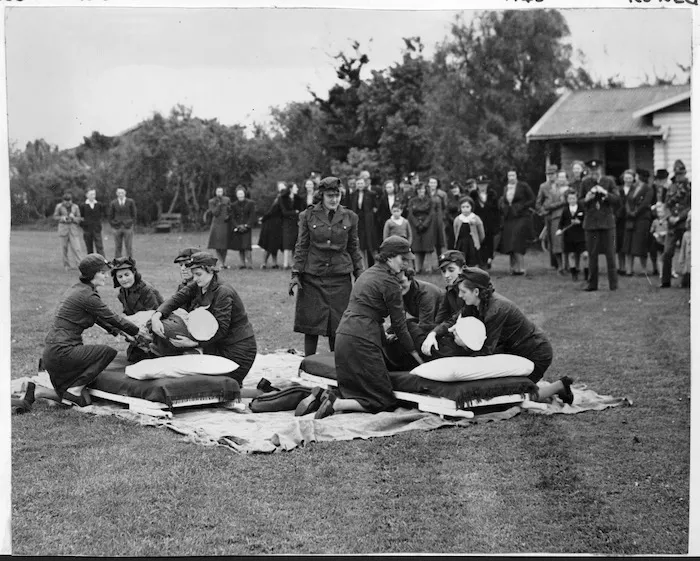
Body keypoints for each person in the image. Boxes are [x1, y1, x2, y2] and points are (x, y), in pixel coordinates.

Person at [306, 236, 424, 419]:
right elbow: (400, 327)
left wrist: (383, 338)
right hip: (362, 340)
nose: (406, 264)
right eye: (403, 259)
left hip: (344, 336)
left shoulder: (367, 274)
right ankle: (336, 403)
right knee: (384, 400)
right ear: (389, 257)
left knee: (357, 389)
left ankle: (326, 397)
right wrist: (418, 358)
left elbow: (366, 311)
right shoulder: (390, 283)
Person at [421, 267, 574, 404]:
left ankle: (560, 386)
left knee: (514, 396)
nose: (460, 296)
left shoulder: (496, 310)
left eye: (463, 292)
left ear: (476, 292)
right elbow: (453, 320)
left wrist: (464, 346)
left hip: (535, 352)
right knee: (501, 390)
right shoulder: (475, 302)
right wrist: (433, 334)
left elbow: (486, 351)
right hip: (512, 350)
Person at [39, 254, 147, 407]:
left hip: (52, 354)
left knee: (85, 401)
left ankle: (47, 392)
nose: (105, 276)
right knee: (107, 352)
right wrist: (136, 331)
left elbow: (99, 318)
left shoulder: (78, 289)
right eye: (102, 272)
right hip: (62, 353)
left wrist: (119, 332)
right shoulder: (87, 296)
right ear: (91, 274)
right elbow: (111, 316)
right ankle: (74, 390)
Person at [151, 252, 258, 384]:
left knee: (218, 386)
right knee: (200, 383)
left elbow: (222, 329)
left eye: (198, 274)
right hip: (217, 344)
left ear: (210, 270)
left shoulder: (223, 292)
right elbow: (176, 299)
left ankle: (255, 393)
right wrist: (157, 316)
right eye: (194, 274)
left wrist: (194, 344)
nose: (195, 279)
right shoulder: (199, 285)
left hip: (238, 349)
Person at [290, 176, 364, 357]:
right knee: (311, 324)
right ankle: (308, 364)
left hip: (340, 277)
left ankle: (335, 366)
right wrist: (296, 273)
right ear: (321, 195)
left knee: (337, 326)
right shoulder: (307, 216)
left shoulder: (350, 217)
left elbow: (354, 247)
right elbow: (302, 246)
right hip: (313, 276)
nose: (334, 199)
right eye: (330, 195)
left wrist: (360, 274)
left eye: (337, 195)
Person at [111, 257, 163, 362]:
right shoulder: (122, 293)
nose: (124, 279)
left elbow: (154, 315)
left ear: (134, 273)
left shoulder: (147, 290)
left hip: (157, 330)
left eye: (127, 275)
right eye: (120, 277)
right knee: (132, 357)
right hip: (139, 331)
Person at [579, 160, 620, 292]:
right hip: (591, 224)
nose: (594, 173)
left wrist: (605, 193)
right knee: (592, 255)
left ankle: (613, 284)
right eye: (592, 171)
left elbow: (617, 200)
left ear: (601, 170)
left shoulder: (609, 181)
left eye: (596, 170)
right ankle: (592, 284)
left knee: (610, 255)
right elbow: (579, 201)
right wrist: (587, 198)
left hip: (607, 223)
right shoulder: (585, 182)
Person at [660, 161, 691, 288]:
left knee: (687, 253)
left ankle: (687, 280)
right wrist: (670, 217)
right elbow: (666, 205)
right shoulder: (670, 187)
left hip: (684, 224)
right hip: (672, 224)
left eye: (681, 174)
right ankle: (665, 281)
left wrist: (678, 217)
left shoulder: (690, 186)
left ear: (685, 173)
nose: (679, 176)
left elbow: (690, 206)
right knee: (667, 252)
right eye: (677, 174)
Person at [498, 170, 535, 275]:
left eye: (513, 175)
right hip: (509, 217)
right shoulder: (506, 187)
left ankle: (521, 268)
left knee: (517, 241)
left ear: (516, 176)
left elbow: (532, 199)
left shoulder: (523, 186)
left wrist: (522, 206)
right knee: (509, 242)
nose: (511, 177)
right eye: (509, 175)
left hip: (522, 216)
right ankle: (513, 268)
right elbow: (504, 201)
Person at [396, 267, 443, 349]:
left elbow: (425, 326)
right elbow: (399, 318)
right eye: (395, 283)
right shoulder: (402, 292)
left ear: (410, 279)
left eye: (401, 282)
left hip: (442, 324)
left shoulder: (425, 294)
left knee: (411, 331)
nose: (399, 287)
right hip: (428, 320)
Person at [536, 165, 568, 274]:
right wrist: (542, 211)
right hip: (549, 216)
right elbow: (539, 202)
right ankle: (556, 264)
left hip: (561, 214)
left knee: (560, 240)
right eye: (548, 174)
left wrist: (550, 207)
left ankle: (565, 265)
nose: (551, 176)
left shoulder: (564, 186)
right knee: (552, 240)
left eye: (552, 174)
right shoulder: (543, 186)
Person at [624, 169, 654, 276]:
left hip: (642, 219)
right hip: (631, 219)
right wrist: (629, 212)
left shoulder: (648, 189)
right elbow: (627, 200)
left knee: (641, 243)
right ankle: (629, 269)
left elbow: (645, 203)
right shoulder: (633, 187)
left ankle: (643, 269)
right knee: (629, 244)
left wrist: (636, 212)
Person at [556, 189, 588, 282]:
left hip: (581, 235)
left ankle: (587, 274)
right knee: (571, 255)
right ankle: (574, 274)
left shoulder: (582, 208)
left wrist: (580, 222)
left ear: (576, 198)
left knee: (585, 255)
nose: (572, 200)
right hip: (569, 236)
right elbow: (561, 223)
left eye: (573, 198)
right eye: (570, 198)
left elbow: (587, 220)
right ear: (567, 199)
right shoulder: (565, 210)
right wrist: (559, 230)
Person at [469, 175, 500, 269]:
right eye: (480, 184)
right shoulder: (473, 194)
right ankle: (479, 262)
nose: (482, 186)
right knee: (477, 242)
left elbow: (496, 210)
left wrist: (496, 224)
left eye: (484, 184)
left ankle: (488, 261)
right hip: (476, 222)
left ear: (487, 185)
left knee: (489, 242)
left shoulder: (492, 194)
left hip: (489, 223)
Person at [348, 176, 379, 269]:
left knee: (371, 244)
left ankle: (376, 266)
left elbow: (376, 207)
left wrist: (371, 215)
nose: (360, 185)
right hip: (358, 221)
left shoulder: (371, 194)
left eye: (361, 183)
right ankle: (363, 267)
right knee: (360, 245)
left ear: (364, 184)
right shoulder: (353, 194)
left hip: (369, 223)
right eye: (358, 184)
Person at [407, 183, 436, 274]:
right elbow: (410, 214)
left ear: (425, 190)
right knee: (416, 247)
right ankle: (418, 268)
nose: (421, 191)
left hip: (428, 225)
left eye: (422, 189)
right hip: (415, 225)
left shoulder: (430, 200)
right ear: (416, 191)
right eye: (419, 189)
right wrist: (417, 224)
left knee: (428, 246)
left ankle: (429, 268)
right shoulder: (412, 201)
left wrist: (424, 224)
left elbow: (431, 213)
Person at [434, 250, 467, 326]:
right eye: (444, 271)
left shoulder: (471, 290)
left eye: (451, 270)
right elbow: (440, 316)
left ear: (463, 269)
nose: (446, 275)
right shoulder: (450, 290)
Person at [258, 182, 286, 269]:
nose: (281, 189)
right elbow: (272, 211)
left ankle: (274, 263)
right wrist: (263, 218)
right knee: (269, 244)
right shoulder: (279, 197)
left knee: (274, 244)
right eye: (280, 187)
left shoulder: (283, 198)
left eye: (283, 187)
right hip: (271, 224)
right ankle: (264, 263)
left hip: (278, 224)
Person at [53, 192, 84, 271]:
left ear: (71, 200)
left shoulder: (75, 207)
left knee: (77, 248)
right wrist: (62, 218)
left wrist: (73, 218)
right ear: (63, 201)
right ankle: (66, 266)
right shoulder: (59, 206)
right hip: (63, 229)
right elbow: (55, 217)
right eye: (66, 201)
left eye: (69, 201)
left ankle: (80, 265)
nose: (67, 203)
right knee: (64, 248)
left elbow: (79, 218)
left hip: (73, 229)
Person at [228, 186, 257, 269]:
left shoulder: (250, 203)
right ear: (236, 195)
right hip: (238, 228)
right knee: (240, 246)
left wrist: (247, 225)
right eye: (239, 193)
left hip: (247, 228)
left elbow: (252, 215)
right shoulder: (233, 205)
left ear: (244, 194)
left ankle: (250, 264)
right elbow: (232, 217)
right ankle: (242, 263)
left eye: (242, 193)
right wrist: (237, 226)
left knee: (247, 246)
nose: (240, 195)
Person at [452, 196, 485, 267]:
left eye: (467, 207)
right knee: (461, 260)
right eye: (463, 207)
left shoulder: (476, 218)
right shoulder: (458, 219)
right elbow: (456, 231)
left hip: (472, 244)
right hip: (461, 243)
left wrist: (478, 242)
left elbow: (481, 233)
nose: (465, 209)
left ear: (471, 207)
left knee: (473, 260)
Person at [616, 169, 636, 276]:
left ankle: (629, 268)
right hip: (619, 219)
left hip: (631, 219)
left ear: (633, 179)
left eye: (630, 178)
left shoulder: (636, 189)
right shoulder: (618, 190)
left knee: (629, 244)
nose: (628, 180)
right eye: (626, 178)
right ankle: (621, 267)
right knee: (620, 244)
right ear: (623, 178)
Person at [280, 183, 304, 269]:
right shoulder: (283, 198)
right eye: (295, 187)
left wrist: (295, 213)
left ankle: (293, 263)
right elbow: (284, 212)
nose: (297, 188)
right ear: (290, 189)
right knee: (287, 243)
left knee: (295, 243)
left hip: (296, 223)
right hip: (287, 223)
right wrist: (295, 212)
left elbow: (301, 211)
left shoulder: (298, 199)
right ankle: (285, 264)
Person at [207, 186, 232, 269]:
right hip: (216, 224)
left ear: (223, 192)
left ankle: (223, 263)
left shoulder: (227, 200)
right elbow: (215, 213)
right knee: (217, 245)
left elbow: (230, 210)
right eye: (218, 191)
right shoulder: (212, 201)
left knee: (224, 245)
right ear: (215, 192)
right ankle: (221, 263)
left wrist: (228, 216)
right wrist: (219, 205)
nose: (219, 193)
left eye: (221, 191)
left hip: (225, 224)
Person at [108, 188, 137, 259]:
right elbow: (110, 215)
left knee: (129, 246)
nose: (121, 194)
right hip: (117, 227)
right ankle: (118, 262)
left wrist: (131, 223)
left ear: (125, 193)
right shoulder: (113, 203)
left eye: (122, 193)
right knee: (118, 246)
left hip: (128, 226)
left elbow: (134, 214)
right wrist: (113, 224)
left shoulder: (130, 201)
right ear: (117, 194)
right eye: (119, 193)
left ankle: (130, 262)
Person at [427, 177, 447, 267]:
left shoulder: (442, 194)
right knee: (429, 241)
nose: (432, 184)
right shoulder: (426, 193)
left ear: (437, 183)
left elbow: (445, 207)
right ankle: (429, 265)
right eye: (431, 182)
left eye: (434, 182)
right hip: (428, 219)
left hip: (438, 219)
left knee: (439, 242)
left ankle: (441, 262)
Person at [80, 188, 105, 256]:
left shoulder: (99, 204)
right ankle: (91, 264)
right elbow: (81, 217)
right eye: (91, 194)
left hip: (97, 229)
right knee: (89, 248)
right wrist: (84, 225)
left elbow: (101, 215)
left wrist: (98, 225)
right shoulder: (83, 205)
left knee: (100, 247)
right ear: (87, 195)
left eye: (94, 194)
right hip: (87, 230)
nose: (93, 196)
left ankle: (103, 263)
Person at [650, 203, 669, 279]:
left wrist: (664, 233)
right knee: (659, 257)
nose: (660, 214)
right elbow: (651, 230)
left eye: (661, 212)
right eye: (658, 212)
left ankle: (671, 271)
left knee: (667, 257)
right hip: (658, 242)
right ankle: (661, 273)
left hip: (666, 242)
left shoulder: (667, 221)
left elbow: (669, 230)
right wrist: (655, 234)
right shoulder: (655, 221)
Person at [444, 181, 463, 250]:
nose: (454, 190)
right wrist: (453, 220)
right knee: (452, 246)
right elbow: (446, 212)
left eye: (455, 188)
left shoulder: (464, 197)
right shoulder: (449, 199)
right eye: (452, 188)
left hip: (463, 223)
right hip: (451, 225)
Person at [677, 210, 691, 289]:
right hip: (688, 261)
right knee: (686, 276)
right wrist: (681, 259)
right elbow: (682, 248)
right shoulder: (686, 235)